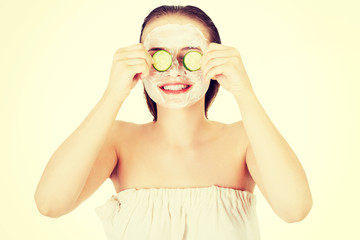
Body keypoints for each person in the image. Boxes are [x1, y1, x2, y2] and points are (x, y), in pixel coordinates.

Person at [34, 5, 312, 240]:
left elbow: (295, 209)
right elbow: (49, 204)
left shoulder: (245, 139)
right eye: (159, 56)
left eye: (190, 55)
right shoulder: (118, 140)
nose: (175, 70)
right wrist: (113, 94)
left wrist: (244, 92)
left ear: (213, 61)